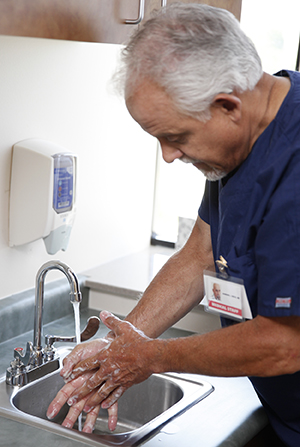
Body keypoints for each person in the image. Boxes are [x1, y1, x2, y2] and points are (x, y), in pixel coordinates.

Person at [47, 4, 300, 445]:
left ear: (227, 106)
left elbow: (285, 342)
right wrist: (122, 344)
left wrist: (153, 356)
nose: (168, 155)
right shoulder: (243, 141)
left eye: (176, 137)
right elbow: (200, 253)